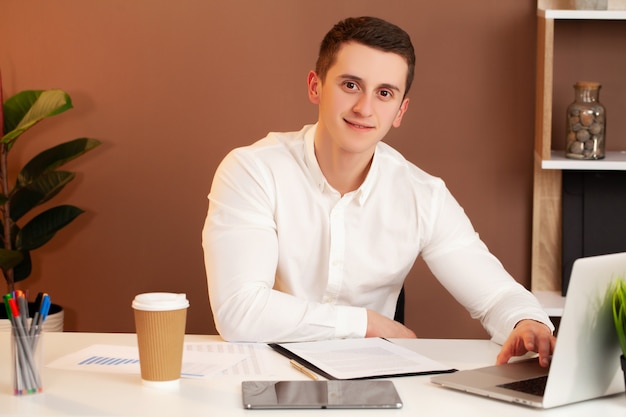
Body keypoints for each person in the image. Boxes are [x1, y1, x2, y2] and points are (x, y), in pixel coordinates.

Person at [202, 16, 555, 367]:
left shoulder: (422, 194)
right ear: (315, 86)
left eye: (384, 93)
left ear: (400, 110)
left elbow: (496, 296)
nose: (364, 108)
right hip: (265, 368)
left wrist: (527, 321)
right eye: (351, 85)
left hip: (370, 377)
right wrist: (365, 323)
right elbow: (239, 309)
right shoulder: (253, 170)